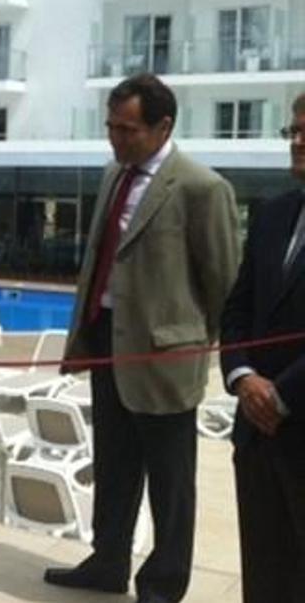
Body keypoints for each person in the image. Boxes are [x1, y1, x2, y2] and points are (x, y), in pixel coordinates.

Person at [45, 73, 240, 603]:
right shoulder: (114, 175)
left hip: (166, 356)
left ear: (163, 126)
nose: (115, 138)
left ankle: (162, 584)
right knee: (113, 465)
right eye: (110, 127)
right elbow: (97, 260)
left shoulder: (202, 188)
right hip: (108, 340)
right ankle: (108, 562)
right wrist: (84, 333)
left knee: (170, 483)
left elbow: (223, 281)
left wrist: (199, 349)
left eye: (127, 129)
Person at [220, 93, 305, 603]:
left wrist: (283, 395)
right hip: (256, 437)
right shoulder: (273, 215)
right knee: (265, 575)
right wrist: (242, 377)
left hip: (296, 421)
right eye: (292, 130)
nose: (297, 140)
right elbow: (236, 310)